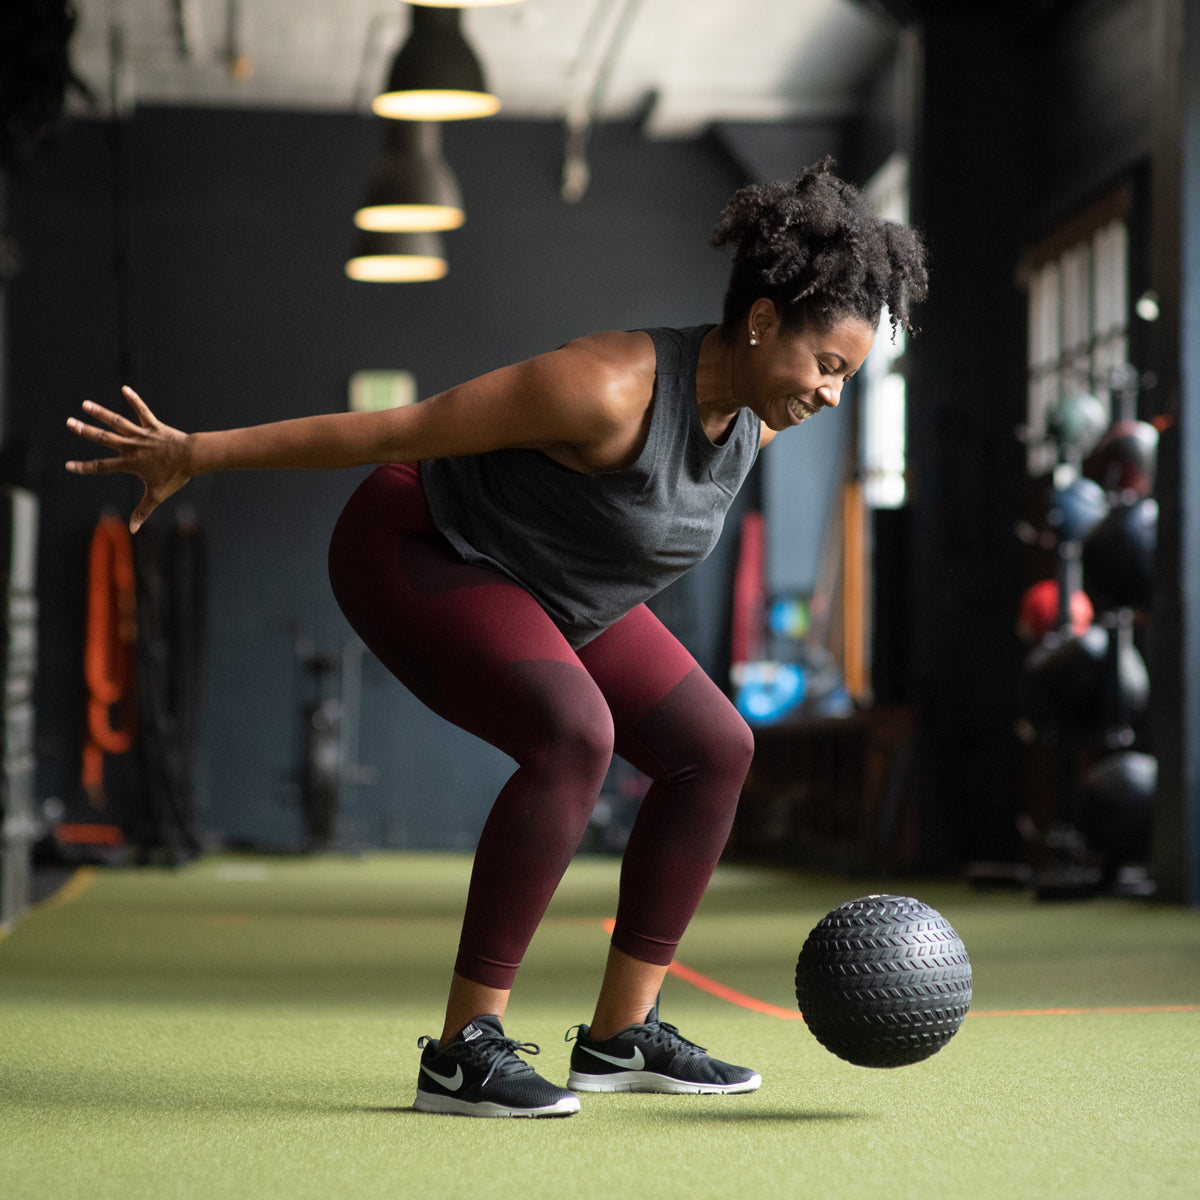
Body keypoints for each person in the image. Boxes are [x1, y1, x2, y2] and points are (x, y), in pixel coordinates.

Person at [66, 157, 927, 1118]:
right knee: (576, 735)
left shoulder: (759, 420)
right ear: (763, 321)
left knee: (717, 748)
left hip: (559, 586)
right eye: (829, 366)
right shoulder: (605, 387)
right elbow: (402, 425)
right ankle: (460, 1051)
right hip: (419, 543)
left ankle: (618, 1036)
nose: (832, 395)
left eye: (848, 375)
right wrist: (195, 454)